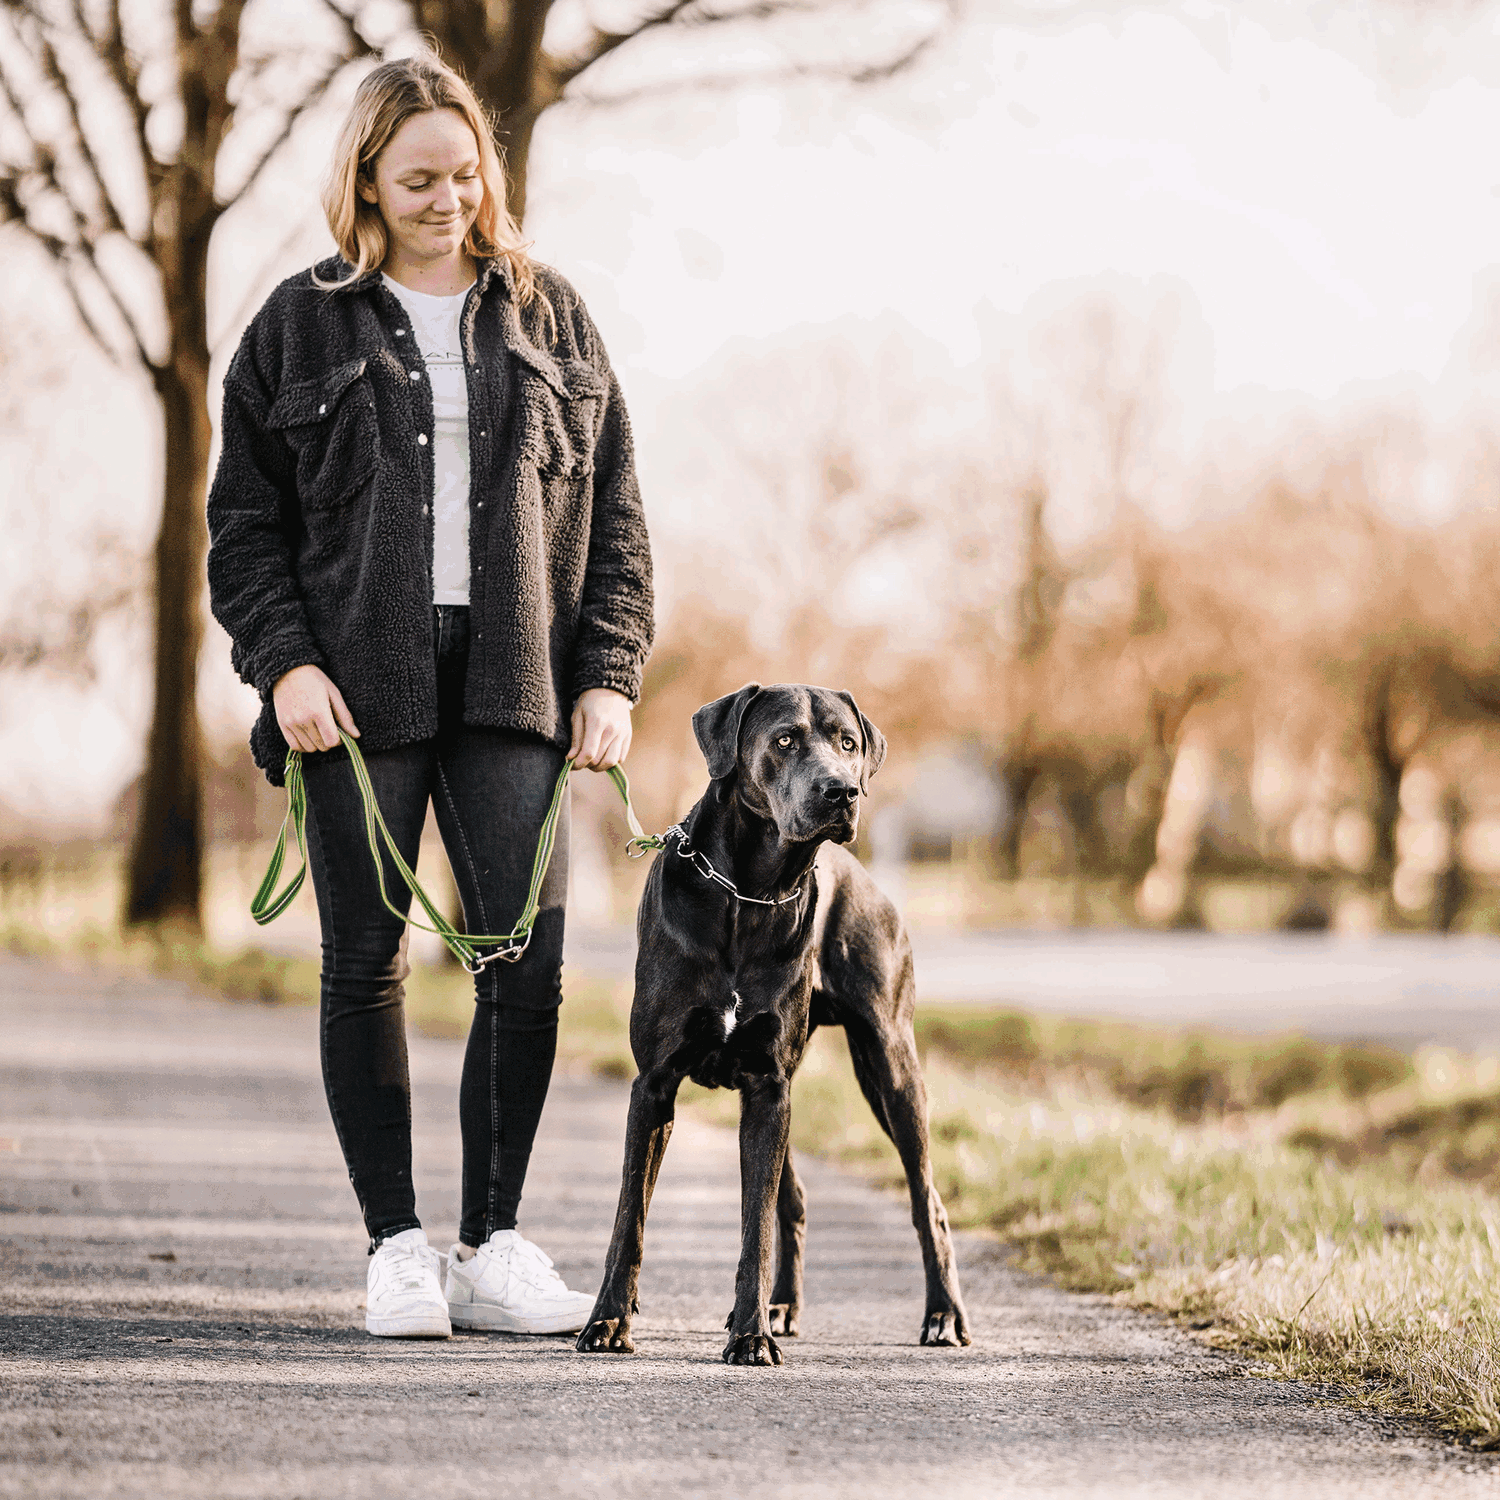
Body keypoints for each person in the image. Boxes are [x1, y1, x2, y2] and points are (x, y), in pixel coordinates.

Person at [206, 54, 653, 1340]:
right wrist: (283, 661)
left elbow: (618, 517)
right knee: (367, 964)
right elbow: (244, 528)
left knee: (529, 962)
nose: (447, 199)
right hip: (355, 690)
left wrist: (609, 674)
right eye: (418, 179)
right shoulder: (298, 326)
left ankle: (495, 1244)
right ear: (365, 180)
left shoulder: (553, 316)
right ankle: (397, 1249)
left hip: (518, 680)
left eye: (466, 175)